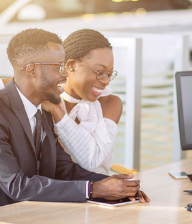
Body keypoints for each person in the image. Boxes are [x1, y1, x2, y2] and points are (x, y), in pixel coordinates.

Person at [0, 28, 149, 206]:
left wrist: (117, 186)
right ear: (32, 70)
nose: (65, 73)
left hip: (40, 214)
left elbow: (63, 168)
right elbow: (17, 186)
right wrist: (94, 189)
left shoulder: (44, 108)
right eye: (58, 67)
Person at [41, 29, 122, 175]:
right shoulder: (45, 102)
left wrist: (58, 113)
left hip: (103, 191)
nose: (106, 81)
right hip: (59, 193)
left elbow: (92, 159)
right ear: (71, 65)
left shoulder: (110, 103)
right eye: (100, 72)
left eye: (109, 74)